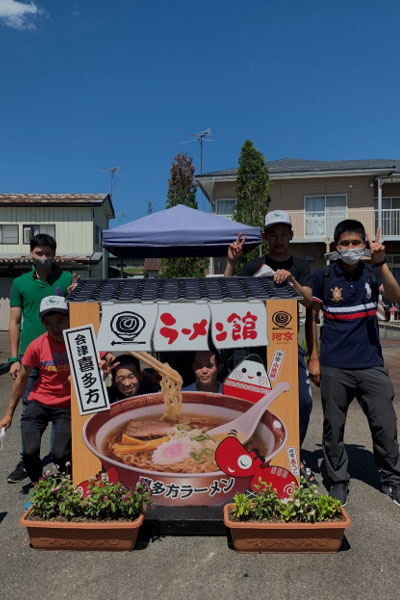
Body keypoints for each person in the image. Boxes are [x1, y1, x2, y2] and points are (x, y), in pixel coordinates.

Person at [306, 219, 400, 507]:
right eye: (344, 243)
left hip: (371, 363)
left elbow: (395, 295)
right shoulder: (323, 275)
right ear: (336, 247)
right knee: (333, 428)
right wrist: (313, 357)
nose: (350, 248)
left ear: (364, 245)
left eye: (355, 243)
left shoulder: (372, 272)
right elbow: (311, 316)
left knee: (385, 424)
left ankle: (392, 478)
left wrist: (381, 262)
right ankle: (337, 480)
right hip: (334, 365)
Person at [224, 209, 315, 482]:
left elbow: (308, 300)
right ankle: (252, 458)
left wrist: (291, 280)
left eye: (283, 233)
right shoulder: (253, 266)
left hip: (287, 347)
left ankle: (293, 452)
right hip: (253, 347)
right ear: (265, 237)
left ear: (291, 235)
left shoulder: (300, 266)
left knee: (302, 402)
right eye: (273, 234)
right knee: (249, 406)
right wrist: (231, 263)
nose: (278, 239)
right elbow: (227, 294)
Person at [7, 234, 76, 484]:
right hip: (31, 352)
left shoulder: (67, 279)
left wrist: (77, 294)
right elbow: (15, 321)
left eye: (48, 253)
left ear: (55, 254)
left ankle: (60, 458)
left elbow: (79, 311)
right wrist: (14, 357)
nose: (44, 257)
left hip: (64, 350)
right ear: (31, 254)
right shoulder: (20, 282)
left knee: (62, 407)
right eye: (39, 253)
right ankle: (27, 460)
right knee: (31, 408)